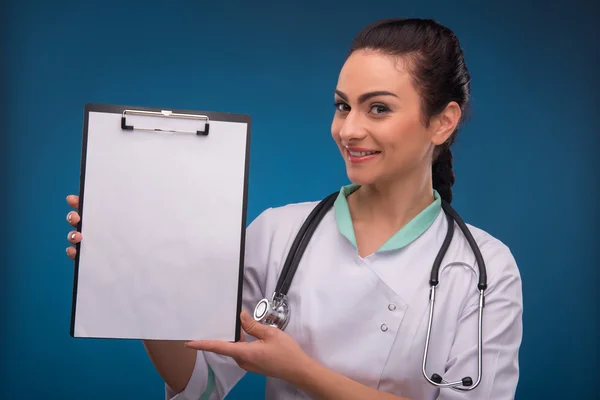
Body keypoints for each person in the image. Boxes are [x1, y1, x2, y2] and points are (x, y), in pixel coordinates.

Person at [64, 18, 523, 400]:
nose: (348, 129)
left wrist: (301, 371)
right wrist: (141, 278)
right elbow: (200, 384)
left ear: (442, 121)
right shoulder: (278, 233)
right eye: (343, 106)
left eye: (378, 108)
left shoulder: (484, 269)